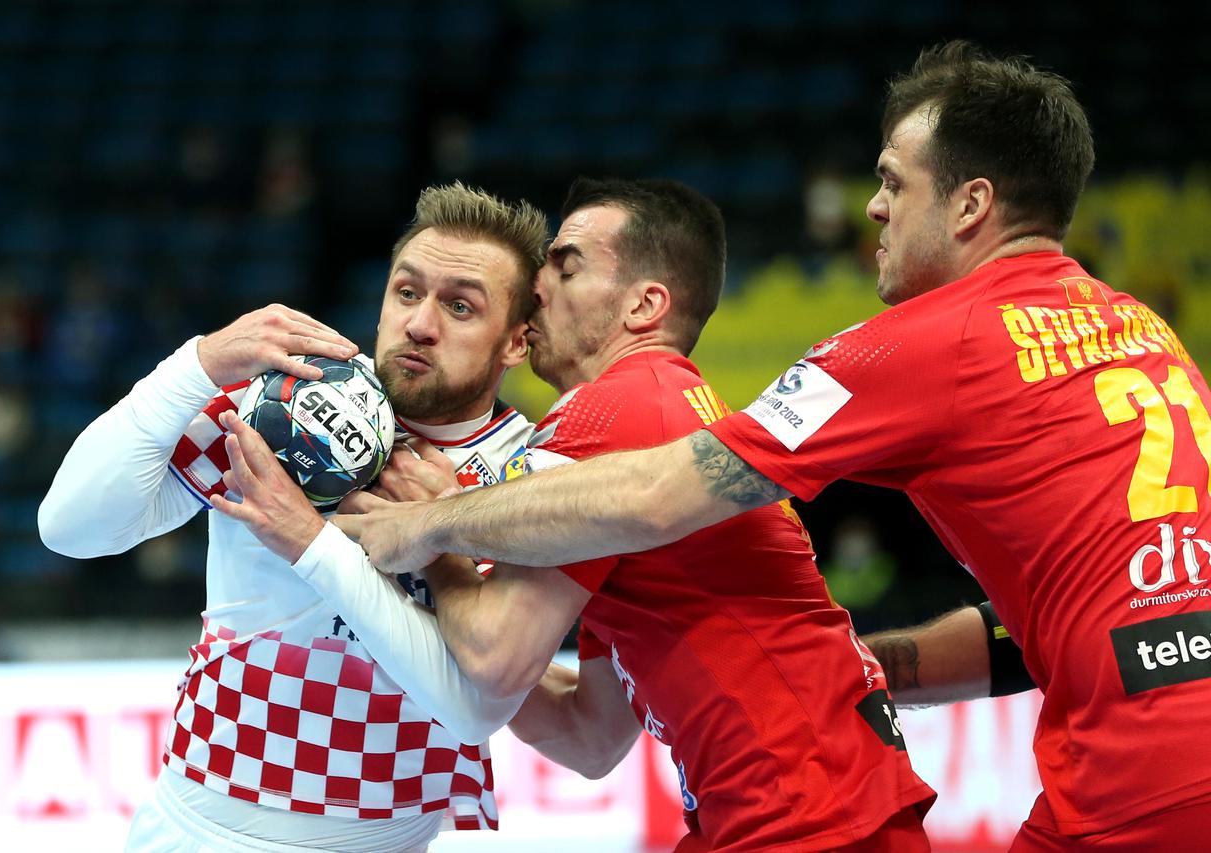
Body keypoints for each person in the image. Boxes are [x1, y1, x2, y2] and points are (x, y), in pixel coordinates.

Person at [336, 43, 1211, 849]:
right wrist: (843, 674)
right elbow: (1033, 632)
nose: (872, 206)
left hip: (1116, 769)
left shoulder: (923, 342)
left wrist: (426, 526)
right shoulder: (1138, 326)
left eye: (893, 182)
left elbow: (654, 495)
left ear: (971, 204)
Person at [218, 177, 935, 851]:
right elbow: (589, 735)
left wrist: (425, 536)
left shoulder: (606, 412)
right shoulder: (667, 403)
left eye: (566, 266)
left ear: (643, 307)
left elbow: (494, 657)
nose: (537, 287)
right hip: (818, 796)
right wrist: (412, 627)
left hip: (801, 812)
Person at [38, 183, 546, 852]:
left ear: (516, 342)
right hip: (199, 830)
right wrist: (196, 364)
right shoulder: (285, 400)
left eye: (460, 306)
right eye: (406, 292)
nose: (421, 323)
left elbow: (475, 707)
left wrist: (313, 539)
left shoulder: (533, 474)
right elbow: (70, 528)